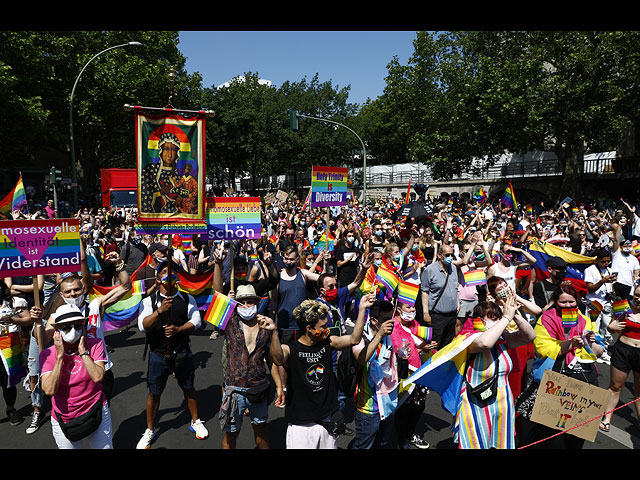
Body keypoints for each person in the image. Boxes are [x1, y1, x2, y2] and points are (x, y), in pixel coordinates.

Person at [268, 295, 370, 449]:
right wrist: (274, 333)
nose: (326, 330)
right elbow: (277, 358)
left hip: (327, 421)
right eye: (322, 327)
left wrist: (362, 309)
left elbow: (354, 339)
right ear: (309, 328)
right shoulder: (291, 349)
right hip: (300, 427)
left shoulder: (328, 342)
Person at [519, 283, 603, 449]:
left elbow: (598, 352)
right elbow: (543, 349)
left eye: (571, 302)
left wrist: (589, 342)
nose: (568, 305)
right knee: (545, 431)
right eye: (563, 302)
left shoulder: (585, 320)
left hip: (581, 380)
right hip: (552, 378)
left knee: (574, 432)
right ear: (555, 302)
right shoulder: (546, 319)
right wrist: (570, 344)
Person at [136, 260, 208, 449]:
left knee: (189, 387)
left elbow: (197, 321)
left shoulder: (186, 299)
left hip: (182, 352)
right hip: (158, 354)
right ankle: (150, 430)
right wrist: (160, 311)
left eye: (172, 272)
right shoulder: (148, 301)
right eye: (165, 272)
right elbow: (142, 326)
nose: (169, 275)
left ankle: (195, 421)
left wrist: (179, 329)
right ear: (158, 279)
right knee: (154, 393)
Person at [453, 292, 535, 449]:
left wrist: (513, 314)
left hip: (502, 402)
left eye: (498, 317)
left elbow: (529, 336)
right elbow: (485, 344)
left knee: (500, 444)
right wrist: (505, 319)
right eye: (491, 317)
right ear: (478, 320)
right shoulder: (470, 338)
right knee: (476, 442)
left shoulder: (501, 340)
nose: (497, 321)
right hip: (476, 402)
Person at [40, 304, 113, 449]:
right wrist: (60, 356)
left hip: (95, 409)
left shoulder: (95, 344)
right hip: (65, 417)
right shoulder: (48, 354)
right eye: (66, 327)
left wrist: (83, 352)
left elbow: (98, 376)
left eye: (78, 326)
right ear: (57, 330)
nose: (73, 331)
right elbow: (49, 390)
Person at [219, 285, 282, 449]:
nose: (246, 306)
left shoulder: (265, 325)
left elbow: (274, 360)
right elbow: (216, 293)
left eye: (250, 302)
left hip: (258, 389)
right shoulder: (229, 322)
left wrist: (280, 386)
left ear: (257, 303)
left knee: (261, 430)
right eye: (242, 303)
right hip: (234, 389)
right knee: (231, 434)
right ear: (236, 305)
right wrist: (218, 263)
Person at [351, 298, 398, 449]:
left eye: (391, 318)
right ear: (373, 320)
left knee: (382, 444)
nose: (390, 323)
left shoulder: (390, 336)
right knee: (364, 446)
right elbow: (361, 359)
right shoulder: (360, 337)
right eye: (385, 320)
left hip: (388, 403)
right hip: (368, 407)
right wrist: (379, 336)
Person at [390, 300, 437, 449]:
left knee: (419, 407)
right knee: (404, 409)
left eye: (412, 307)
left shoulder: (414, 324)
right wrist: (422, 347)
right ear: (398, 309)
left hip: (419, 372)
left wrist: (426, 347)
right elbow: (401, 352)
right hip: (404, 374)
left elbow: (420, 343)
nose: (411, 310)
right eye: (407, 307)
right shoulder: (393, 326)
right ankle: (401, 439)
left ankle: (409, 434)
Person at [599, 282, 640, 433]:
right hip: (623, 350)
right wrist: (613, 327)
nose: (638, 299)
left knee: (639, 391)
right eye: (637, 295)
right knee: (615, 387)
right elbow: (611, 326)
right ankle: (607, 418)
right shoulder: (624, 306)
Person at [0, 279, 32, 427]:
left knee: (7, 381)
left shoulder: (15, 302)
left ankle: (10, 409)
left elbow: (28, 319)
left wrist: (13, 320)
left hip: (9, 347)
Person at [420, 243, 461, 349]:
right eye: (447, 255)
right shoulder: (430, 270)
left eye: (452, 255)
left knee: (448, 346)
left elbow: (455, 287)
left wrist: (458, 302)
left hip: (452, 315)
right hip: (437, 316)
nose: (450, 258)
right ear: (439, 255)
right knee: (435, 345)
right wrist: (426, 313)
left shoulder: (454, 269)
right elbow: (425, 292)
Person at [584, 248, 617, 363]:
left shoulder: (609, 270)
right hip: (594, 303)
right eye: (603, 261)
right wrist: (602, 281)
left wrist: (613, 294)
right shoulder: (590, 270)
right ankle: (593, 352)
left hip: (607, 303)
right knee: (594, 329)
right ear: (597, 260)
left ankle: (603, 351)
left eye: (608, 261)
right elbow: (590, 288)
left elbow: (611, 287)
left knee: (606, 329)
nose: (606, 263)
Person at [140, 132, 182, 214]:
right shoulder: (150, 170)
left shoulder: (178, 175)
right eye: (166, 148)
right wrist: (160, 193)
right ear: (160, 150)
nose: (169, 155)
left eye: (173, 149)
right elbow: (145, 199)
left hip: (177, 221)